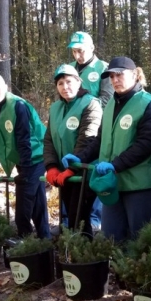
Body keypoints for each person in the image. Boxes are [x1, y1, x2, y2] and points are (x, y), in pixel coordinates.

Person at [95, 56, 151, 242]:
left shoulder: (149, 104)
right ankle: (118, 272)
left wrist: (115, 165)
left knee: (140, 240)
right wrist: (80, 157)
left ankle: (141, 272)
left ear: (135, 75)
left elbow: (145, 145)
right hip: (114, 184)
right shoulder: (110, 104)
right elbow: (100, 140)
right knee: (112, 238)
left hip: (142, 185)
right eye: (111, 77)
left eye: (119, 75)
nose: (115, 80)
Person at [0, 71, 51, 239]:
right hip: (21, 158)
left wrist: (24, 171)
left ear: (5, 87)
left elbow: (23, 139)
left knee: (24, 203)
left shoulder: (18, 105)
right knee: (38, 202)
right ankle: (44, 239)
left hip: (36, 155)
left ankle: (24, 240)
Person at [44, 64, 102, 237]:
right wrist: (51, 166)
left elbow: (87, 139)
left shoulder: (91, 104)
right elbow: (48, 139)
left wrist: (73, 167)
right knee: (70, 216)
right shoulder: (55, 108)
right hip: (64, 173)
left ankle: (85, 255)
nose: (65, 87)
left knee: (80, 218)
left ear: (78, 82)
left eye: (69, 81)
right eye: (60, 83)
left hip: (84, 171)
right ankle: (71, 253)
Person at [68, 31, 112, 231]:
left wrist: (87, 108)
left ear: (92, 48)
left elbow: (108, 98)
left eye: (81, 50)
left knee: (92, 168)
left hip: (96, 128)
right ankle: (70, 220)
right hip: (71, 127)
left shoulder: (103, 68)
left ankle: (94, 220)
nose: (78, 55)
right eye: (75, 51)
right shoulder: (70, 71)